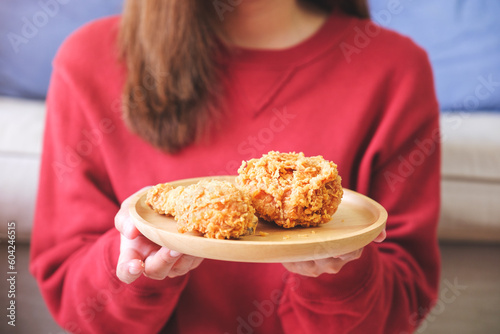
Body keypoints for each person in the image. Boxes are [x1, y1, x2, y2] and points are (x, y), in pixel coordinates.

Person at [30, 0, 441, 333]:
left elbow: (404, 309)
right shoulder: (89, 61)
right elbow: (76, 309)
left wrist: (340, 272)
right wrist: (133, 264)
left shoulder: (395, 69)